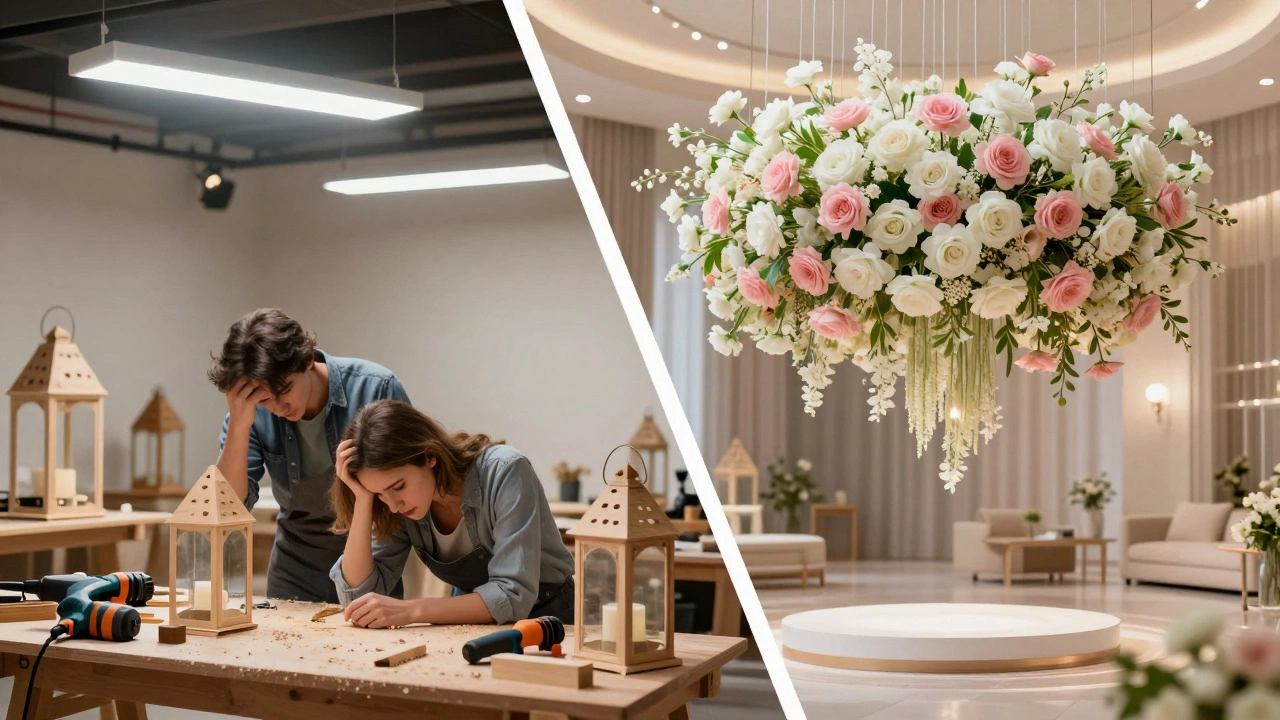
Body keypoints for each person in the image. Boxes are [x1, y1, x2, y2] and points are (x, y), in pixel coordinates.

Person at [208, 308, 410, 603]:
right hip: (294, 569)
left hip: (368, 556)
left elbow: (403, 495)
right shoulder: (251, 415)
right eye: (264, 398)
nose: (278, 407)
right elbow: (228, 510)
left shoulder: (376, 388)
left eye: (285, 390)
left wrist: (366, 576)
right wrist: (239, 424)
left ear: (306, 359)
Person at [329, 400, 573, 627]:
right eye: (379, 493)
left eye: (399, 486)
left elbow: (512, 596)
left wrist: (410, 611)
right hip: (472, 623)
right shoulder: (398, 504)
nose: (393, 506)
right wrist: (363, 499)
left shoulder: (506, 471)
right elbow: (358, 598)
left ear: (429, 456)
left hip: (550, 619)